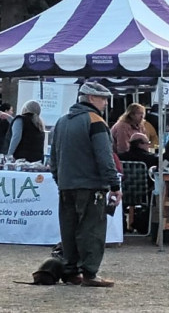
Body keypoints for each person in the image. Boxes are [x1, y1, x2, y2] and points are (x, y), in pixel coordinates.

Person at [50, 81, 120, 287]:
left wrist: (60, 179)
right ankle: (90, 273)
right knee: (92, 229)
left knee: (69, 229)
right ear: (91, 98)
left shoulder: (61, 122)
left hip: (66, 185)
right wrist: (114, 185)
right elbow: (105, 157)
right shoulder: (95, 121)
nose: (106, 102)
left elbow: (53, 157)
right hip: (90, 185)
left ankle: (71, 271)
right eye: (103, 98)